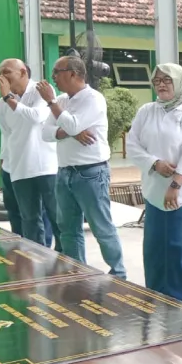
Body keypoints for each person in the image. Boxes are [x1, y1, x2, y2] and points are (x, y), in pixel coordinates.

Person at [125, 64, 182, 305]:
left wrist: (176, 184)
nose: (161, 85)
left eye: (167, 80)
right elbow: (133, 144)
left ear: (180, 82)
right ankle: (157, 299)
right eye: (157, 80)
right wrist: (154, 163)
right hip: (153, 193)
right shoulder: (147, 111)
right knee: (155, 251)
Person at [39, 56, 126, 278]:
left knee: (101, 227)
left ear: (73, 73)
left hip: (91, 173)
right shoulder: (63, 101)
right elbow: (45, 133)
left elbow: (72, 124)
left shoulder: (93, 99)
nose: (53, 78)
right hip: (65, 172)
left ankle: (118, 274)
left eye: (57, 72)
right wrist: (68, 131)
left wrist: (52, 105)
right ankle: (77, 271)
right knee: (68, 229)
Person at [0, 59, 58, 248]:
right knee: (29, 219)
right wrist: (4, 160)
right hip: (20, 168)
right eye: (0, 73)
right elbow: (7, 135)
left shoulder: (41, 91)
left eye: (7, 72)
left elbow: (36, 117)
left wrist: (9, 99)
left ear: (23, 73)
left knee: (56, 217)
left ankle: (66, 261)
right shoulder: (1, 104)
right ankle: (37, 260)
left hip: (47, 167)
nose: (1, 77)